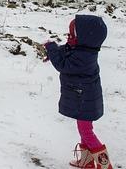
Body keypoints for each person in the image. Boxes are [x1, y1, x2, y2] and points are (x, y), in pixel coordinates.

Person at [43, 14, 112, 169]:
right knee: (84, 129)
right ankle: (87, 162)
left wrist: (51, 48)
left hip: (84, 100)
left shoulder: (83, 57)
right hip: (83, 98)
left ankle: (105, 165)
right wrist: (53, 53)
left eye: (72, 34)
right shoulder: (84, 50)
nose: (69, 36)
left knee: (86, 131)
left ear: (84, 38)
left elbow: (63, 64)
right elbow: (67, 51)